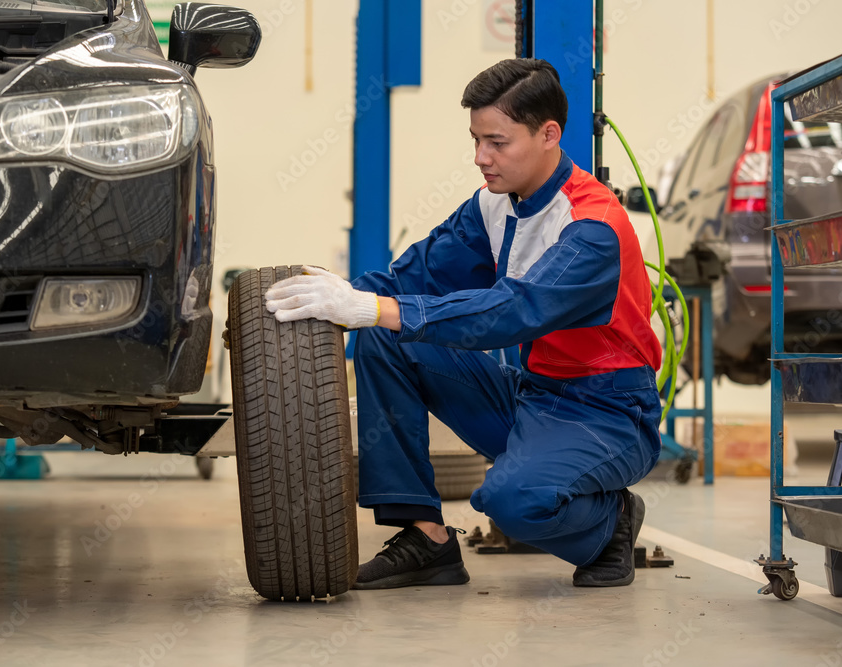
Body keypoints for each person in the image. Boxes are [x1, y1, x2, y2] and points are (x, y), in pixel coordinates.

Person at [264, 58, 662, 590]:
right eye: (476, 140)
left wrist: (371, 309)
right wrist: (332, 296)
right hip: (533, 394)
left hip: (608, 412)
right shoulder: (494, 205)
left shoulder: (593, 228)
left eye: (497, 142)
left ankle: (610, 524)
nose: (481, 158)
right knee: (388, 337)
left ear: (549, 134)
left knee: (508, 501)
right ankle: (426, 537)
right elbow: (418, 275)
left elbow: (512, 310)